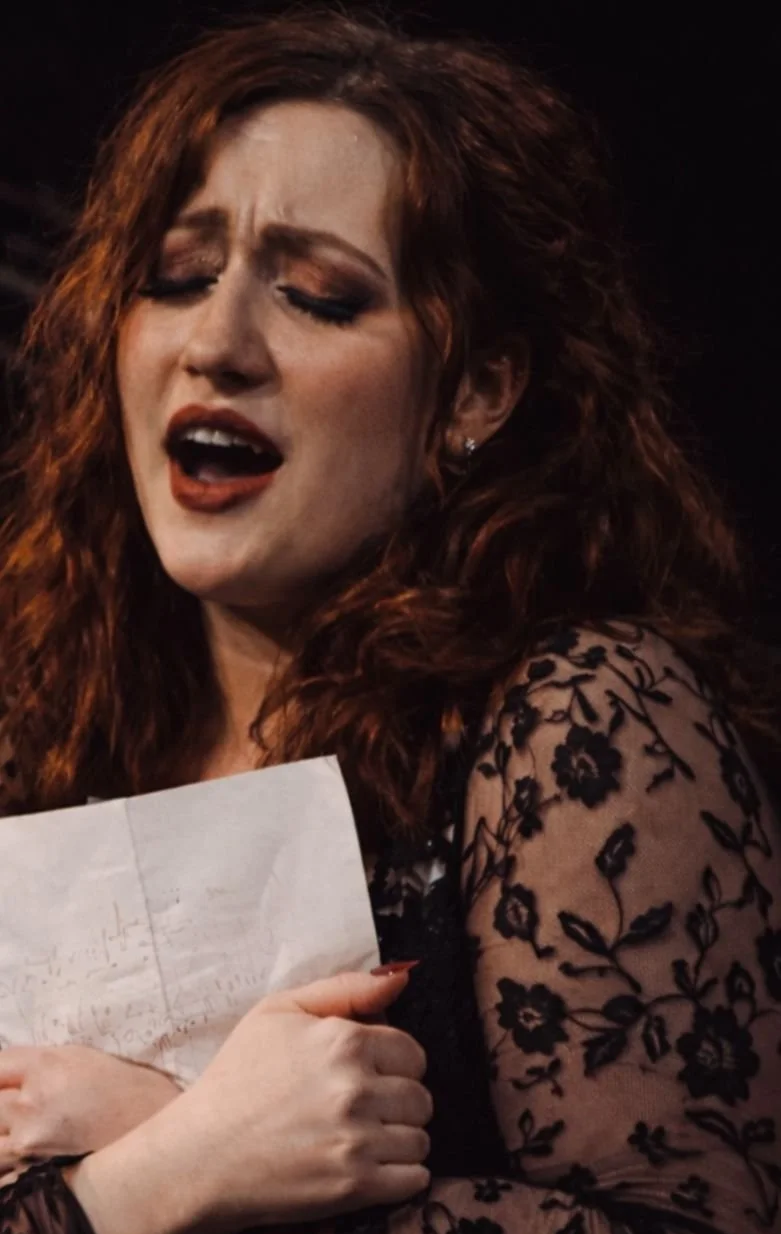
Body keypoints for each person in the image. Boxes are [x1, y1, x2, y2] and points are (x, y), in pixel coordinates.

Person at [0, 6, 779, 1232]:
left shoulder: (578, 721)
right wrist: (165, 1168)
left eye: (316, 296)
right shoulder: (39, 729)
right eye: (177, 278)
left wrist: (193, 1160)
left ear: (472, 391)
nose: (216, 343)